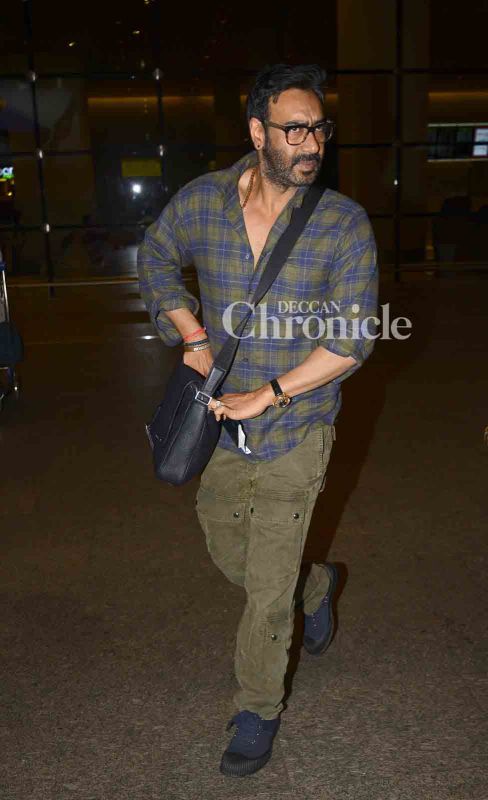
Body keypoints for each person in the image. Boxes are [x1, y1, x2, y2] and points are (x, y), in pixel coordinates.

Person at [137, 63, 378, 778]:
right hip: (219, 424)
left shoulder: (342, 224)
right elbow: (156, 257)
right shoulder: (204, 201)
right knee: (229, 553)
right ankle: (317, 585)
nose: (312, 144)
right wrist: (192, 336)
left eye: (319, 130)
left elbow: (352, 340)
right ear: (256, 132)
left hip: (297, 426)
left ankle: (256, 711)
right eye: (294, 130)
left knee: (267, 593)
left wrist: (270, 393)